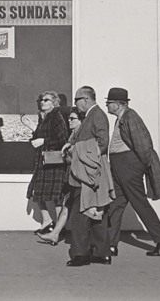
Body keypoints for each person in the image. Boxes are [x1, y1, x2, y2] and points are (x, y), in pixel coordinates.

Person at [106, 87, 160, 257]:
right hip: (119, 166)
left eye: (109, 102)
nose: (107, 104)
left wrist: (136, 167)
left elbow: (144, 147)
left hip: (128, 167)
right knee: (115, 205)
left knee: (139, 203)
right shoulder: (121, 118)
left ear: (118, 104)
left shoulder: (131, 117)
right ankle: (110, 244)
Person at [56, 87, 113, 265]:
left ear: (86, 99)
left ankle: (81, 254)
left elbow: (102, 144)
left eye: (76, 100)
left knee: (80, 214)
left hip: (88, 173)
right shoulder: (92, 115)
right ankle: (101, 253)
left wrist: (76, 150)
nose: (75, 104)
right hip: (89, 171)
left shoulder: (96, 115)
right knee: (96, 213)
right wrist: (70, 143)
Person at [35, 107, 83, 247]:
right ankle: (55, 234)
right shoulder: (73, 135)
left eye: (72, 119)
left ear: (81, 121)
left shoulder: (81, 136)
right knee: (66, 204)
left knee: (74, 206)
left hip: (81, 176)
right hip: (72, 175)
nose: (69, 121)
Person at [26, 91, 69, 237]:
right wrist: (34, 130)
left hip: (53, 162)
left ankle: (59, 227)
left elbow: (63, 139)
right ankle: (47, 221)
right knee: (39, 192)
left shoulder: (56, 117)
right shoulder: (45, 117)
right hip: (44, 161)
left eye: (46, 100)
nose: (42, 102)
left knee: (55, 196)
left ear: (54, 103)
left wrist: (44, 141)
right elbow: (41, 136)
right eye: (41, 100)